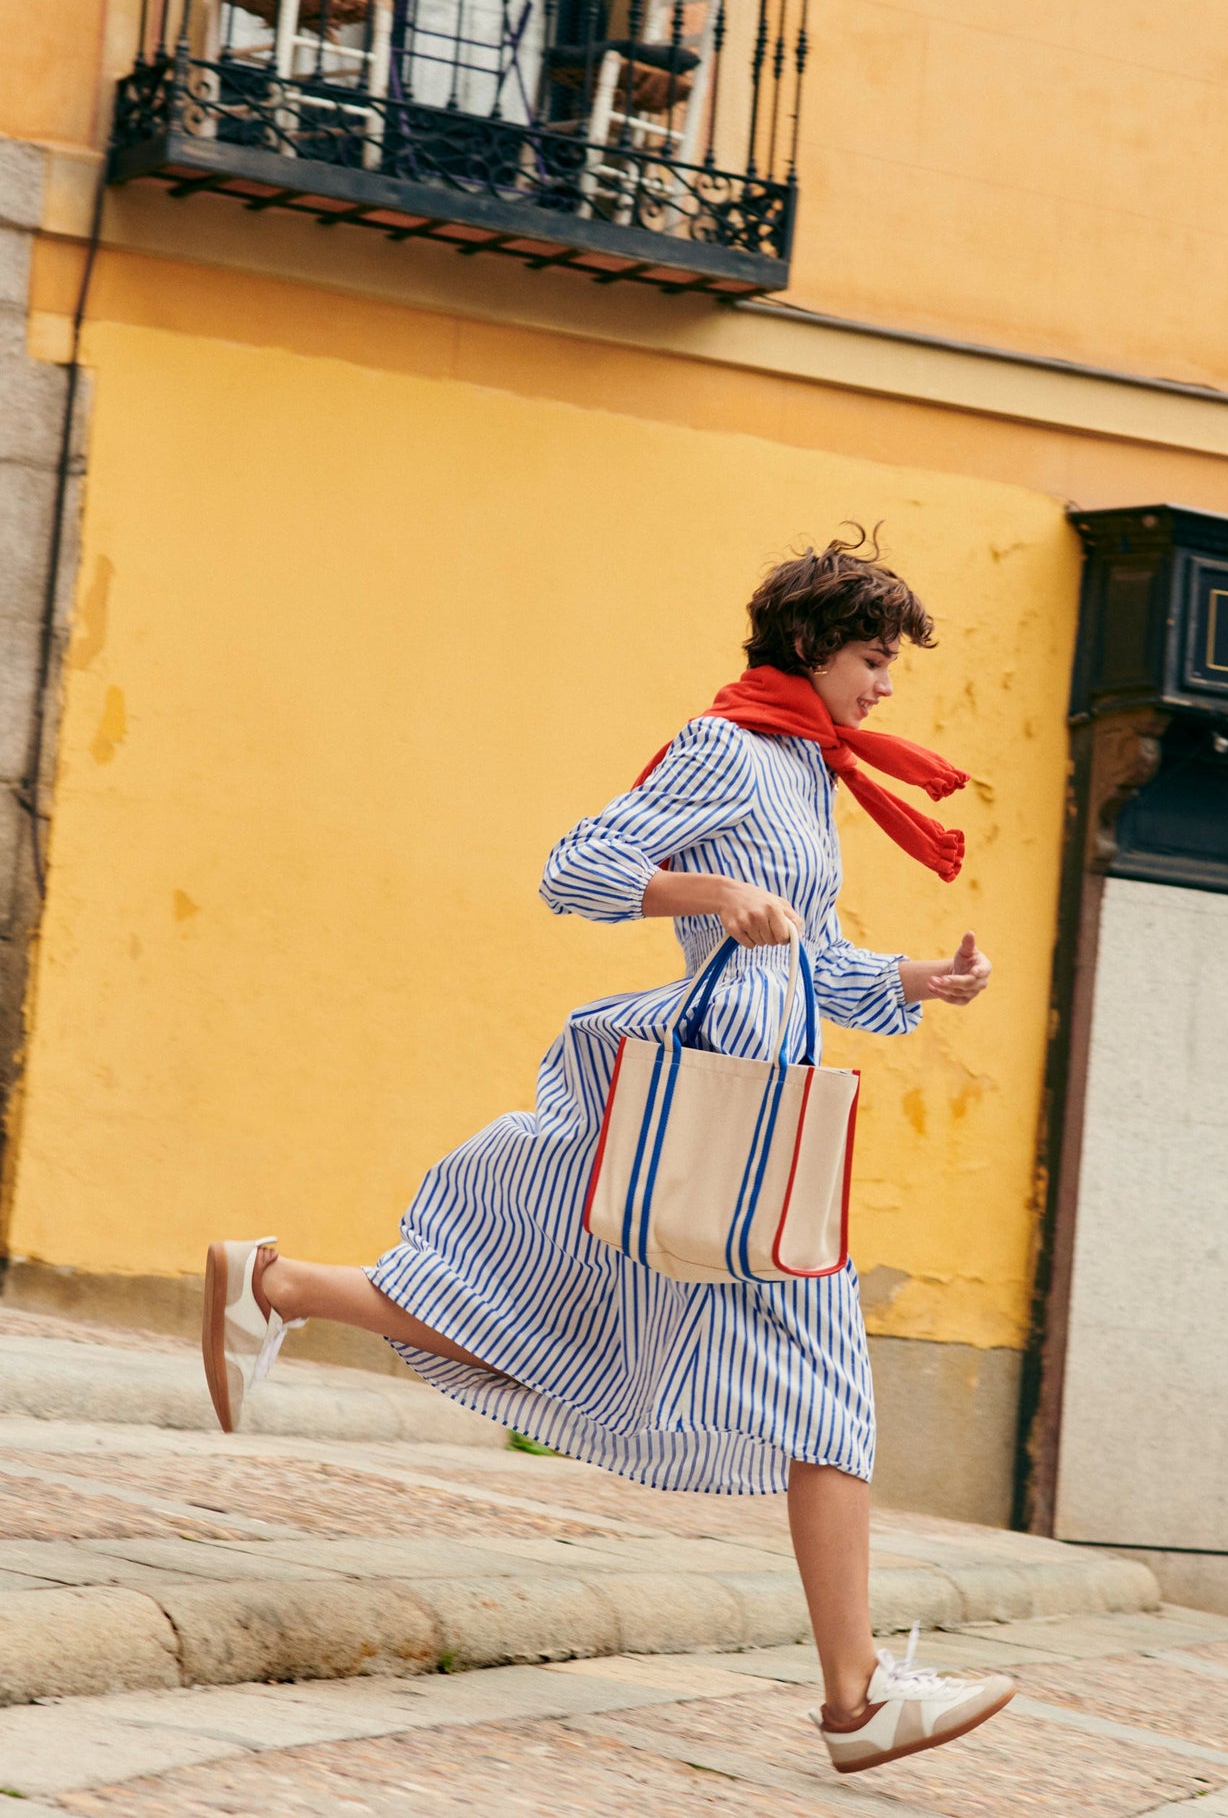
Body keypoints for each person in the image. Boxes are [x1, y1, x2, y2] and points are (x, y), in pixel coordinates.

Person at [202, 528, 1013, 1774]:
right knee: (825, 1387)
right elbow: (574, 868)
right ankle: (853, 1696)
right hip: (706, 1098)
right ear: (808, 643)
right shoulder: (727, 747)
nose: (885, 686)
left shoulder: (804, 771)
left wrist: (916, 979)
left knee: (556, 1324)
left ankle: (274, 1283)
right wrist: (705, 897)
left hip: (754, 1104)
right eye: (871, 655)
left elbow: (806, 952)